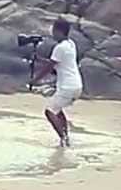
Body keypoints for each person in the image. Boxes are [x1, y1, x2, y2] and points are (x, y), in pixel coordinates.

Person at [31, 18, 83, 147]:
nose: (52, 33)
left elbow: (49, 67)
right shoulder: (70, 44)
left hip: (67, 87)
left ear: (59, 31)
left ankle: (63, 139)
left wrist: (35, 80)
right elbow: (57, 63)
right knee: (57, 110)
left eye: (54, 30)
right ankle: (65, 137)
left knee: (49, 111)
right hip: (76, 85)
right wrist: (39, 59)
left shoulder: (59, 48)